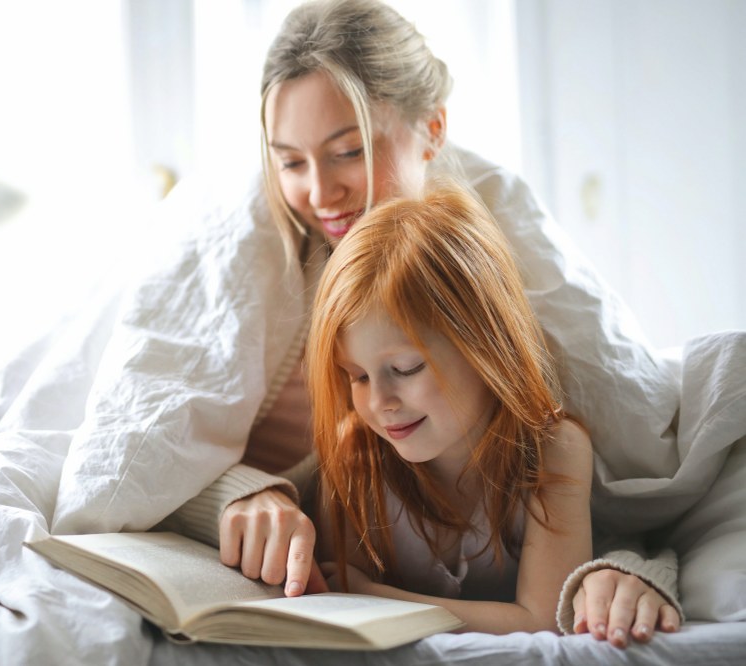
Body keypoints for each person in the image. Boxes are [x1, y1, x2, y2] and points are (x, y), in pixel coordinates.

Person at [157, 0, 682, 648]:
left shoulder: (538, 424)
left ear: (432, 129)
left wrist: (638, 563)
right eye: (288, 162)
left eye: (347, 150)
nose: (318, 195)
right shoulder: (354, 442)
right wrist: (241, 498)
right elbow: (157, 453)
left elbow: (642, 486)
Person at [307, 188, 592, 632]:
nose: (380, 402)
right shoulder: (353, 459)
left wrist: (373, 597)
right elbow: (337, 593)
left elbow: (547, 619)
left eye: (406, 368)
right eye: (357, 376)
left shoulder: (555, 450)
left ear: (484, 344)